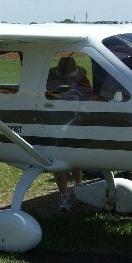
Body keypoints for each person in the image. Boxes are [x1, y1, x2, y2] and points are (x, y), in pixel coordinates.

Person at [46, 56, 92, 210]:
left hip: (76, 122)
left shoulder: (83, 82)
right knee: (59, 159)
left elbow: (88, 95)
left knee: (76, 155)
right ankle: (64, 194)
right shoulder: (50, 82)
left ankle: (79, 186)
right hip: (56, 123)